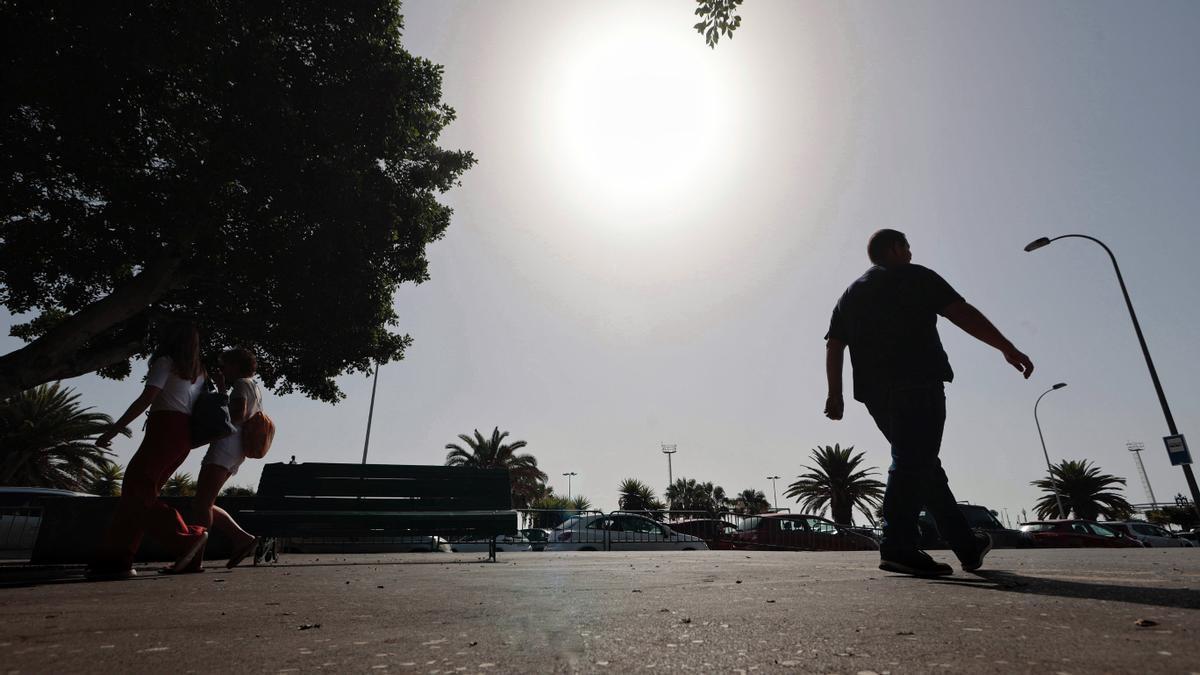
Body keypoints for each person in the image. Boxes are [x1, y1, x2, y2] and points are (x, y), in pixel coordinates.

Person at [824, 229, 1034, 576]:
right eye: (906, 246)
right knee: (911, 461)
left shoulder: (851, 293)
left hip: (875, 395)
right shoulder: (915, 275)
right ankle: (897, 546)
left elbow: (834, 344)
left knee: (923, 465)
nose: (910, 252)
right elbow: (960, 312)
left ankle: (967, 545)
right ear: (894, 248)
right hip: (916, 382)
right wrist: (1006, 347)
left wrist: (836, 393)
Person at [90, 321, 210, 578]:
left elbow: (147, 397)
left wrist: (114, 429)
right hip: (183, 436)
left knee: (136, 492)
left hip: (164, 430)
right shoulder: (199, 371)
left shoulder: (165, 362)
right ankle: (115, 562)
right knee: (137, 497)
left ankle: (187, 538)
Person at [192, 347, 260, 569]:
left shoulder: (241, 384)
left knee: (202, 503)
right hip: (237, 449)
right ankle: (241, 538)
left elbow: (237, 414)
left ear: (235, 365)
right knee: (205, 502)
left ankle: (194, 559)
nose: (222, 370)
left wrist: (220, 396)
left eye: (225, 365)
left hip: (226, 445)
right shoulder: (254, 386)